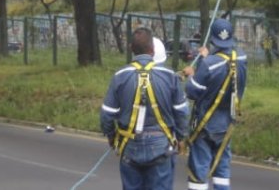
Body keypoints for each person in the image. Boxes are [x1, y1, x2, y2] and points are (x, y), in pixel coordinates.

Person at [100, 27, 190, 190]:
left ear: (131, 49)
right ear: (153, 49)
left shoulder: (120, 76)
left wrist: (112, 137)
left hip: (130, 145)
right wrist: (182, 137)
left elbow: (107, 114)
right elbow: (181, 112)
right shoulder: (170, 76)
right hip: (161, 146)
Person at [183, 18, 247, 190]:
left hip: (205, 124)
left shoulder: (209, 64)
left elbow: (191, 91)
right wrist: (208, 58)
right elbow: (223, 66)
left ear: (212, 39)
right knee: (222, 168)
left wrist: (192, 74)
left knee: (199, 170)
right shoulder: (241, 57)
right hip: (227, 123)